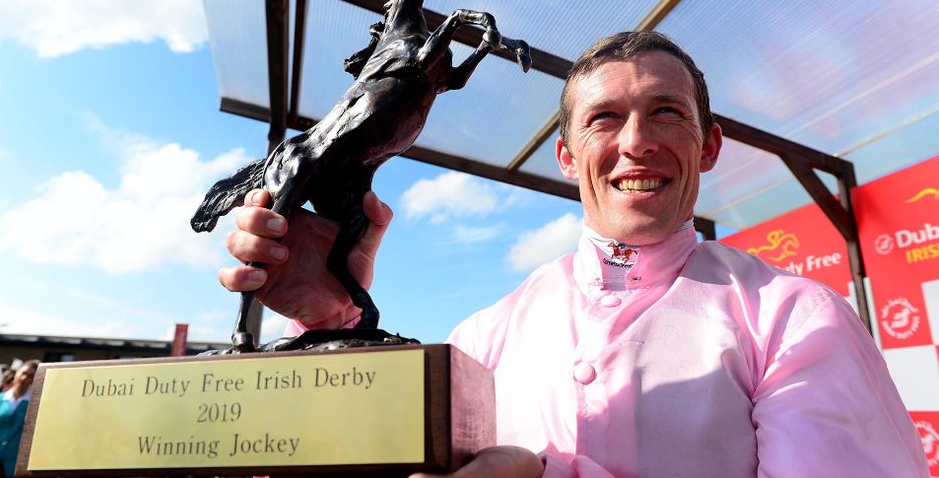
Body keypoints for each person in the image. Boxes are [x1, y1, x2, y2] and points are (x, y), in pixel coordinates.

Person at [220, 31, 927, 477]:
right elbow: (360, 450)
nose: (635, 142)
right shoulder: (485, 334)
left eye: (666, 112)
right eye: (604, 119)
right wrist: (336, 321)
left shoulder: (796, 319)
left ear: (708, 146)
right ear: (565, 156)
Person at [0, 360, 38, 478]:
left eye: (30, 376)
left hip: (14, 467)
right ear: (16, 373)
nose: (24, 378)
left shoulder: (34, 406)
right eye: (23, 373)